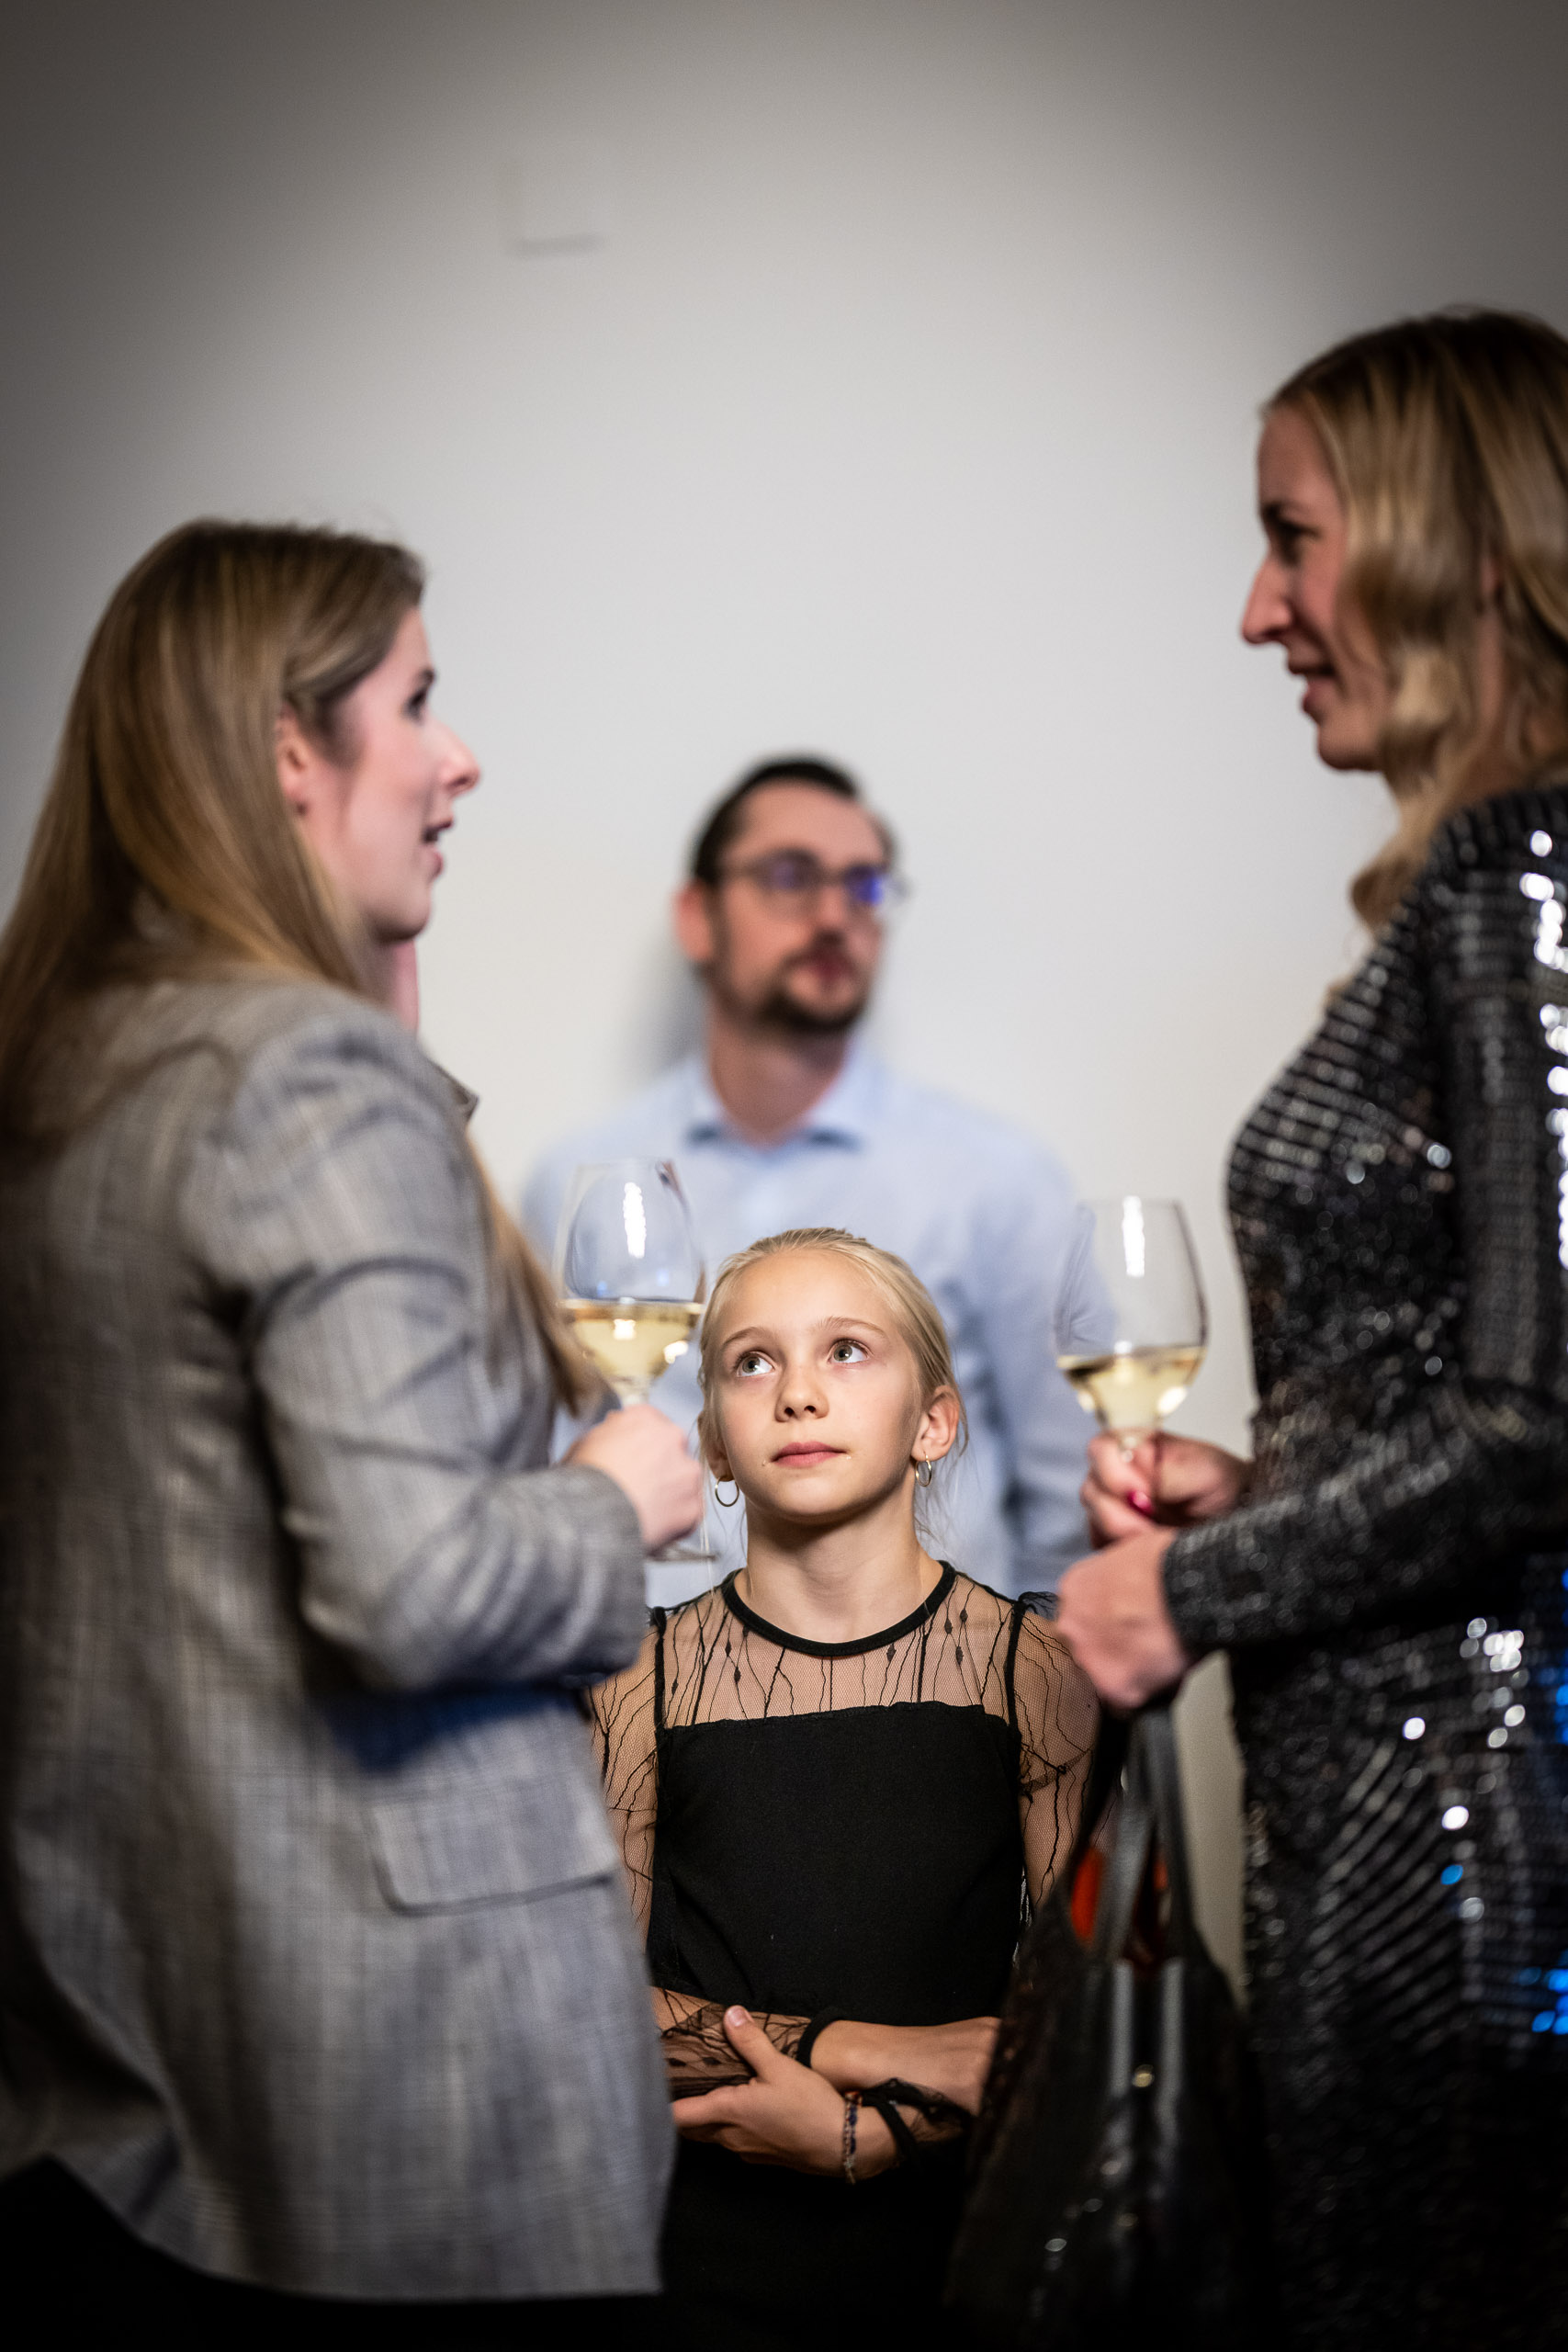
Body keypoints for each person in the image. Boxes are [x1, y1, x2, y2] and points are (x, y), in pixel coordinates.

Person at [0, 520, 704, 2337]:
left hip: (145, 2058)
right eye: (417, 701)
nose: (459, 757)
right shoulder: (306, 1079)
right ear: (287, 752)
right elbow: (412, 1586)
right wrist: (613, 1497)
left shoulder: (72, 1073)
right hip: (419, 2083)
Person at [1055, 311, 1568, 2348]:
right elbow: (1469, 1383)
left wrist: (1188, 1584)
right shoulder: (1480, 876)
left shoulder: (1517, 868)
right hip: (1411, 1802)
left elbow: (1537, 1426)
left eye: (1290, 538)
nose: (1257, 609)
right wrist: (1266, 1480)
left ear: (1445, 545)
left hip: (1463, 1832)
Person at [590, 1227, 1098, 2349]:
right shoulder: (636, 1676)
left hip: (966, 2258)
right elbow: (586, 2008)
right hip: (699, 2271)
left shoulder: (1039, 1669)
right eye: (752, 1362)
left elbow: (1098, 2020)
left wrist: (877, 2139)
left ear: (934, 1421)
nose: (798, 1394)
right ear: (714, 1445)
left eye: (848, 1350)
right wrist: (862, 2046)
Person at [525, 757, 1092, 1603]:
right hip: (650, 1675)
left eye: (863, 886)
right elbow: (547, 1478)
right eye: (790, 878)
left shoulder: (996, 1179)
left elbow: (1068, 1515)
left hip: (932, 1676)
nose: (834, 916)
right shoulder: (581, 1183)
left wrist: (1031, 1676)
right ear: (697, 917)